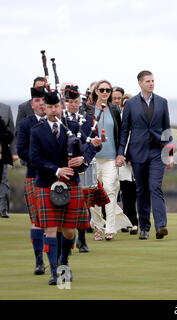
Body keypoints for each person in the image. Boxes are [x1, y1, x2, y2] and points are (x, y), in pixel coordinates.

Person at [29, 89, 100, 285]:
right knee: (50, 229)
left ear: (61, 106)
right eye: (49, 107)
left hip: (71, 184)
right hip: (46, 183)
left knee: (69, 231)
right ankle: (55, 272)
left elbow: (93, 146)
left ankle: (64, 261)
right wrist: (57, 170)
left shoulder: (74, 126)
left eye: (56, 106)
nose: (53, 110)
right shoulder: (37, 131)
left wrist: (82, 158)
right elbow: (35, 159)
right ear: (45, 108)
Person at [116, 70, 174, 240]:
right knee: (141, 191)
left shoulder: (163, 102)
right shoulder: (131, 104)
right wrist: (121, 153)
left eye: (153, 80)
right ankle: (145, 228)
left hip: (157, 151)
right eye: (148, 81)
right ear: (140, 83)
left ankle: (161, 225)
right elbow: (124, 131)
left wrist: (169, 153)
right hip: (137, 153)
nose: (151, 83)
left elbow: (167, 130)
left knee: (155, 187)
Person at [63, 84, 110, 252]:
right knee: (64, 205)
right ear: (65, 101)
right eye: (69, 101)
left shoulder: (89, 119)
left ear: (79, 102)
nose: (73, 105)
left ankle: (82, 240)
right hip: (64, 168)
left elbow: (96, 146)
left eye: (75, 101)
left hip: (84, 166)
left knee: (82, 205)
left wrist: (84, 158)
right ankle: (67, 240)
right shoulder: (60, 120)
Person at [89, 80, 130, 241]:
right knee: (93, 195)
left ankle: (110, 229)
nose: (105, 92)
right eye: (102, 90)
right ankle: (98, 227)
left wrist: (120, 154)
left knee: (110, 191)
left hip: (110, 159)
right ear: (96, 91)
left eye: (108, 90)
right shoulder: (88, 110)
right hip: (92, 159)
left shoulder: (114, 110)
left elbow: (121, 134)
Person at [16, 86, 47, 274]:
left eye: (44, 100)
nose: (41, 103)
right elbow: (21, 150)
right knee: (36, 220)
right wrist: (41, 163)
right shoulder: (26, 124)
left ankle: (58, 259)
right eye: (37, 100)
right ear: (32, 104)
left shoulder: (58, 122)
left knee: (54, 223)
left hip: (55, 178)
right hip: (34, 175)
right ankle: (38, 261)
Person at [118, 94, 139, 235]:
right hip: (122, 162)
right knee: (125, 194)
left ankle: (135, 222)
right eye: (124, 105)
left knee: (134, 194)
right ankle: (127, 222)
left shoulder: (138, 120)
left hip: (136, 162)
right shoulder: (119, 120)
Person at [0, 100, 18, 218]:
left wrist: (13, 152)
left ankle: (3, 210)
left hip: (2, 153)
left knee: (3, 181)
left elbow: (12, 132)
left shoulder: (5, 108)